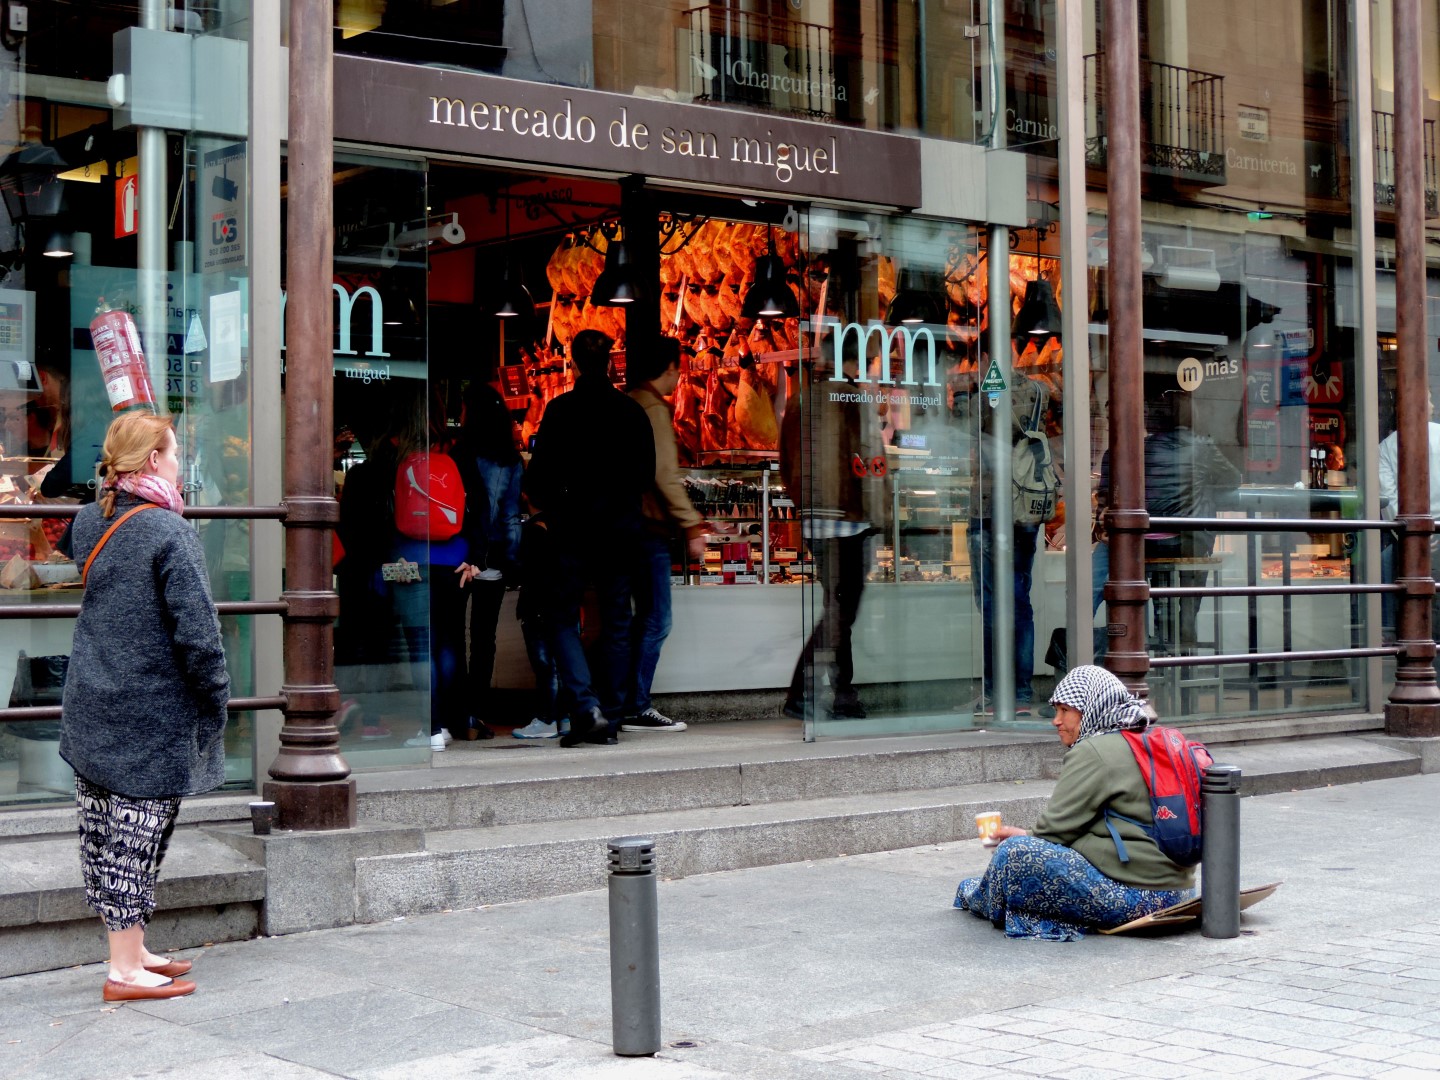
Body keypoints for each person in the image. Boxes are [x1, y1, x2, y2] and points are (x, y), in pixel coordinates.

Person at [58, 411, 229, 1000]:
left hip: (91, 700)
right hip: (148, 712)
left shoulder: (88, 521)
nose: (179, 463)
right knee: (138, 836)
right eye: (175, 453)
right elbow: (199, 635)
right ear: (154, 460)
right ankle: (123, 970)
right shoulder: (169, 532)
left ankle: (131, 948)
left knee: (104, 834)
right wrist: (216, 695)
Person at [953, 665, 1195, 940]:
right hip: (1181, 893)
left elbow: (1054, 831)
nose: (1056, 720)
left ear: (1091, 708)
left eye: (1065, 711)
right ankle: (990, 892)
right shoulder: (1143, 739)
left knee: (1014, 854)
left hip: (1136, 898)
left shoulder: (1094, 750)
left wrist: (1022, 836)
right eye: (1056, 710)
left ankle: (979, 896)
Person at [525, 329, 655, 747]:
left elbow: (538, 478)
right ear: (612, 362)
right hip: (620, 531)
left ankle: (586, 708)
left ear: (575, 362)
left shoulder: (561, 410)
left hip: (573, 529)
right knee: (617, 620)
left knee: (561, 617)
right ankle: (610, 716)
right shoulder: (632, 412)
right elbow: (645, 475)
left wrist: (557, 502)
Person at [780, 335, 879, 720]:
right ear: (856, 361)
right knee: (840, 614)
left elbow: (786, 464)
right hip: (848, 522)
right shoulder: (853, 400)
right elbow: (868, 462)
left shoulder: (799, 400)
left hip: (815, 521)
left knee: (837, 610)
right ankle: (803, 692)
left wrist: (805, 507)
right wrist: (877, 513)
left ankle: (843, 694)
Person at [623, 337, 706, 733]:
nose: (679, 377)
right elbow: (664, 474)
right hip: (647, 528)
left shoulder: (626, 400)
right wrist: (690, 523)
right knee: (657, 619)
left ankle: (622, 701)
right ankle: (636, 705)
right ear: (670, 367)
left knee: (632, 618)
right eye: (678, 369)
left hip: (624, 526)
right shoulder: (653, 408)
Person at [965, 375, 1049, 715]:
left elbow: (968, 436)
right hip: (1024, 512)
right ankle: (1023, 695)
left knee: (990, 605)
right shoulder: (1038, 391)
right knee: (1020, 604)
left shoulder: (985, 397)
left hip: (989, 511)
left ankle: (993, 693)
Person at [1140, 389, 1242, 651]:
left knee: (1161, 597)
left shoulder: (1146, 446)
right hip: (1189, 542)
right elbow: (1233, 479)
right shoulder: (1202, 446)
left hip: (1147, 543)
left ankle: (1164, 638)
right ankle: (1184, 646)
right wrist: (1202, 482)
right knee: (1188, 598)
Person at [453, 383, 523, 732]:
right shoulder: (510, 459)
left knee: (453, 634)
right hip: (492, 556)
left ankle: (453, 708)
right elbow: (509, 515)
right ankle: (476, 708)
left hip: (457, 553)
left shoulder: (459, 453)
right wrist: (510, 558)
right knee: (484, 636)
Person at [1377, 385, 1440, 657]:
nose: (1433, 404)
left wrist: (1412, 537)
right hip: (1436, 535)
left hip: (1411, 542)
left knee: (1413, 610)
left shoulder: (1386, 448)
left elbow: (1388, 501)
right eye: (1429, 399)